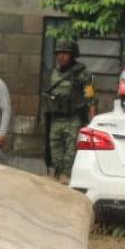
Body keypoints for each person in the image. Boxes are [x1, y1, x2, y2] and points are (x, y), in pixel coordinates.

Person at [43, 39, 95, 179]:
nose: (61, 56)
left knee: (70, 155)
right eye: (59, 53)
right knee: (55, 153)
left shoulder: (84, 74)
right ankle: (58, 176)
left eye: (66, 53)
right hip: (55, 118)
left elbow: (90, 98)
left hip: (74, 119)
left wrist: (92, 123)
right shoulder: (53, 73)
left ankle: (66, 178)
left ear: (73, 55)